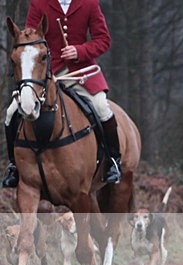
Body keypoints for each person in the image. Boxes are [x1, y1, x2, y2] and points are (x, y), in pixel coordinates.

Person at [3, 0, 122, 188]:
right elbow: (29, 39)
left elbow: (103, 40)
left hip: (81, 71)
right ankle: (14, 166)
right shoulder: (39, 3)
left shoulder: (89, 3)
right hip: (47, 72)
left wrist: (79, 51)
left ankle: (113, 161)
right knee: (11, 112)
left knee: (101, 107)